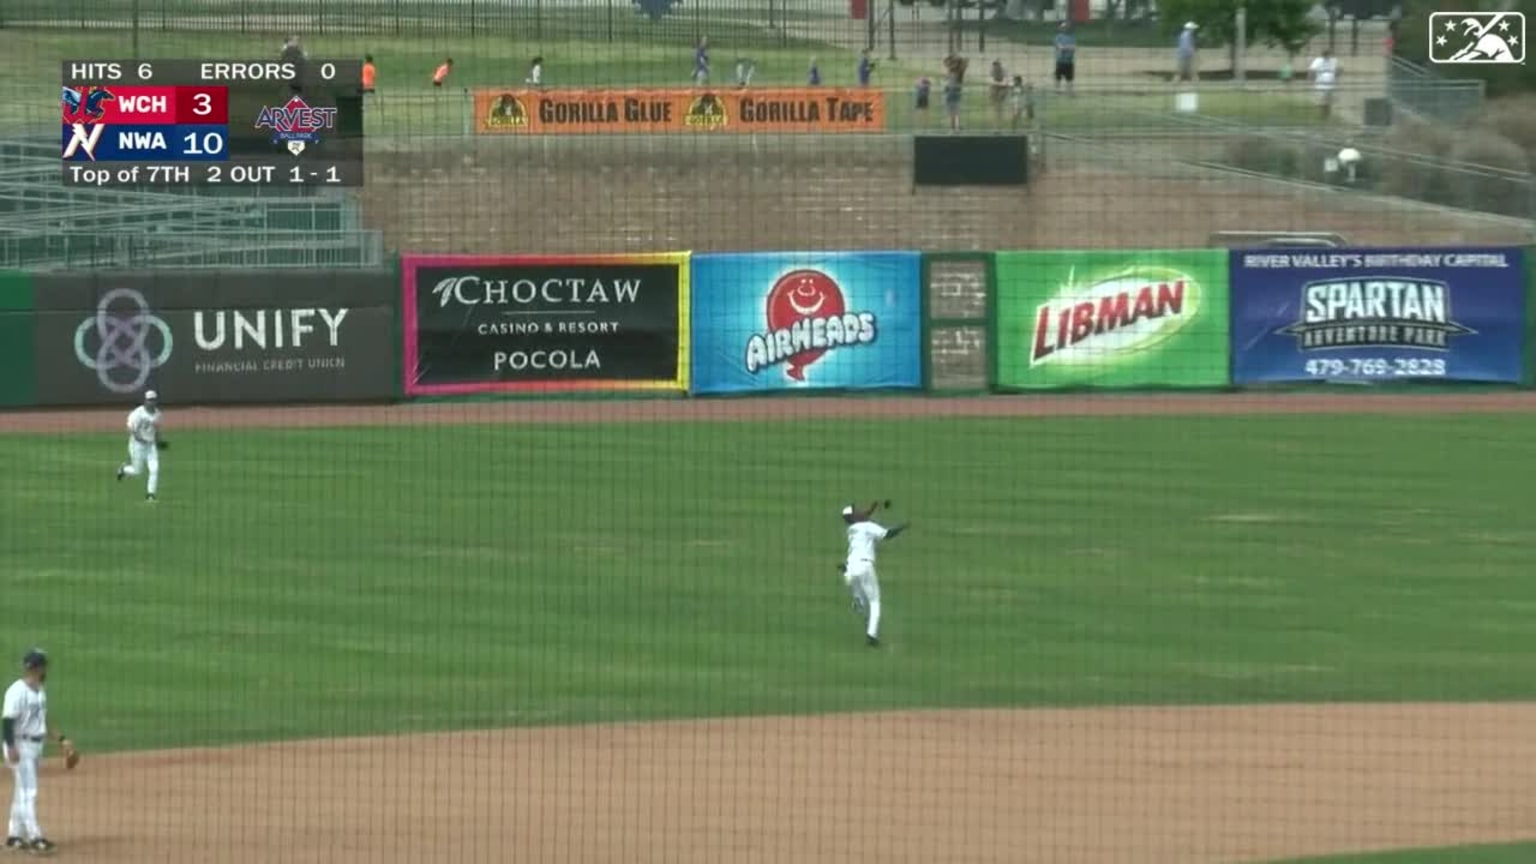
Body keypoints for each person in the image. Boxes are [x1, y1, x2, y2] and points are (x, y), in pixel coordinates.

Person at [3, 649, 76, 855]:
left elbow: (42, 720)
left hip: (35, 746)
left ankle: (14, 836)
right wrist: (11, 747)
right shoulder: (16, 691)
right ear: (39, 668)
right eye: (43, 666)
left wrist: (61, 739)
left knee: (21, 792)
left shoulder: (39, 690)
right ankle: (35, 838)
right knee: (29, 792)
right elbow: (7, 721)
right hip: (20, 745)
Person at [838, 502, 908, 647]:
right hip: (865, 567)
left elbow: (861, 516)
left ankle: (857, 600)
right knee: (875, 602)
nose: (859, 510)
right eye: (856, 510)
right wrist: (902, 527)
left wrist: (873, 507)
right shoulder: (867, 526)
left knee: (861, 600)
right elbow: (887, 535)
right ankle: (872, 635)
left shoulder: (851, 529)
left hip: (852, 567)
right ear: (854, 516)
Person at [116, 389, 163, 502]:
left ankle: (150, 495)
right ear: (145, 401)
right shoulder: (137, 413)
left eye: (153, 400)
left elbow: (156, 429)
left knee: (154, 469)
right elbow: (131, 429)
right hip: (137, 445)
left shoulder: (158, 414)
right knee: (137, 471)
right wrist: (140, 439)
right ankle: (123, 469)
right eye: (149, 400)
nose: (151, 402)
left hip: (150, 446)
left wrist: (159, 441)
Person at [1309, 48, 1339, 119]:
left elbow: (1338, 69)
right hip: (1321, 82)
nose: (1328, 56)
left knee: (1329, 100)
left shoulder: (1333, 60)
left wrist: (1336, 76)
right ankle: (1322, 114)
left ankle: (1327, 114)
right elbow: (1312, 70)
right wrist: (1311, 78)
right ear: (1323, 55)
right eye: (1326, 55)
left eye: (1329, 55)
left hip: (1331, 82)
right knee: (1322, 99)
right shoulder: (1318, 60)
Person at [1054, 21, 1076, 95]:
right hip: (1060, 61)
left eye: (1066, 27)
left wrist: (1065, 48)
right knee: (1058, 78)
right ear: (1061, 28)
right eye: (1064, 27)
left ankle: (1069, 92)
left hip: (1069, 61)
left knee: (1069, 78)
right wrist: (1068, 48)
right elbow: (1060, 47)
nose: (1065, 28)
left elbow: (1073, 48)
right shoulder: (1058, 37)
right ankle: (1057, 91)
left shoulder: (1072, 37)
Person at [989, 59, 1008, 126]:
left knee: (1000, 105)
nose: (995, 67)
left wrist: (997, 83)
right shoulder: (992, 71)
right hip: (995, 88)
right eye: (994, 65)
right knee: (994, 105)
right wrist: (999, 83)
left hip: (1002, 89)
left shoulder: (1004, 70)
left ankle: (999, 117)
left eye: (997, 65)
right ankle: (996, 118)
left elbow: (1005, 82)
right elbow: (991, 81)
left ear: (999, 65)